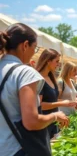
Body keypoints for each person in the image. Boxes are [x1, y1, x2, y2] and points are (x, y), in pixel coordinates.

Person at [0, 23, 68, 156]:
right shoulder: (24, 72)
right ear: (25, 45)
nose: (34, 53)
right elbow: (31, 122)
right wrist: (55, 116)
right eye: (35, 48)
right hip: (18, 149)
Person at [36, 49, 76, 138]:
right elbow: (39, 105)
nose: (58, 64)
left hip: (53, 122)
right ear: (48, 61)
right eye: (56, 61)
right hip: (44, 123)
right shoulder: (39, 79)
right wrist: (62, 103)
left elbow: (52, 100)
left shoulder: (51, 78)